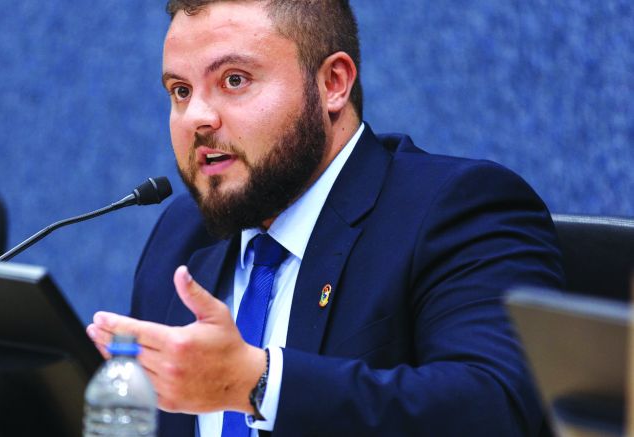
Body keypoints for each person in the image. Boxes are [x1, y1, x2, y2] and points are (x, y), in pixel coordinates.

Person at [87, 1, 563, 436]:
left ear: (333, 83)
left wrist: (257, 384)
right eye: (180, 90)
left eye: (234, 80)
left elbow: (496, 408)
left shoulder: (456, 208)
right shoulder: (182, 234)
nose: (197, 117)